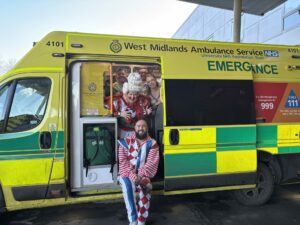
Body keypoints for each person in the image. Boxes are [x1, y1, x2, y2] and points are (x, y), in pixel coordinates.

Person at [118, 119, 160, 225]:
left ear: (147, 128)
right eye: (138, 126)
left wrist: (139, 176)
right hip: (126, 173)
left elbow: (151, 164)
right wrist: (132, 175)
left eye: (143, 126)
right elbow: (123, 162)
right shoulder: (125, 142)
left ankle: (141, 220)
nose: (141, 128)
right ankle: (133, 220)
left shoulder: (153, 144)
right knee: (128, 187)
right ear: (135, 128)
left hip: (144, 174)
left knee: (146, 189)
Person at [112, 72, 152, 138]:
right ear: (126, 93)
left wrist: (147, 114)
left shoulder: (144, 101)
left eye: (135, 94)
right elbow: (109, 114)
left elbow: (145, 120)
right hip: (122, 133)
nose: (132, 97)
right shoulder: (118, 100)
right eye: (130, 94)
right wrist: (120, 113)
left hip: (139, 134)